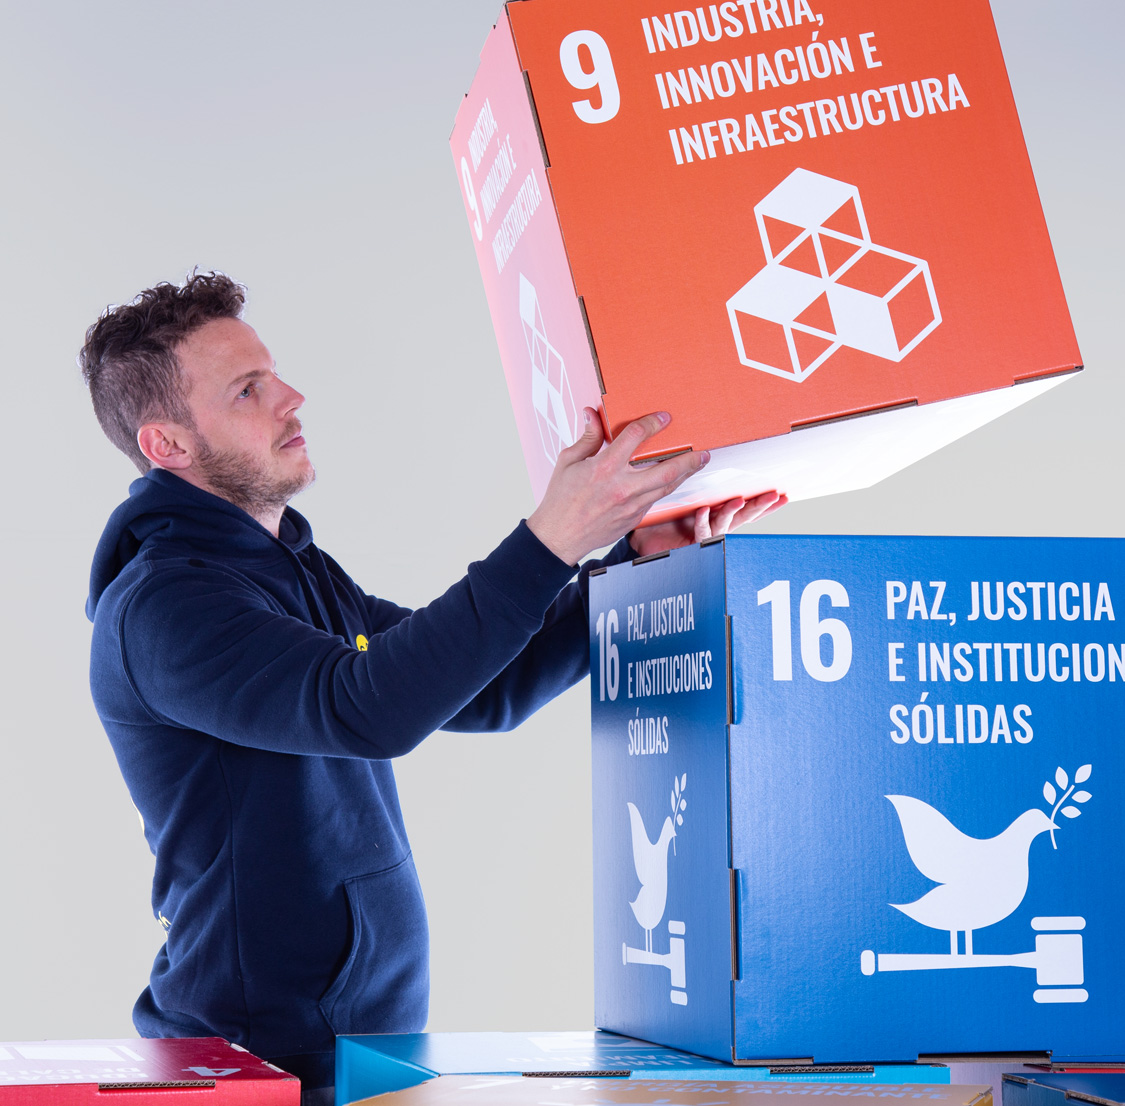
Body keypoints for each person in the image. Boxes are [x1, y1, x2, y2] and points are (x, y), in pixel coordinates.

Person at [81, 271, 784, 1098]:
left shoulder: (292, 571)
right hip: (258, 1070)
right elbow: (366, 707)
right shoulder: (165, 608)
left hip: (355, 1052)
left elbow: (481, 685)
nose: (291, 398)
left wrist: (630, 565)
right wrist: (549, 541)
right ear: (168, 445)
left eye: (273, 373)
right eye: (247, 389)